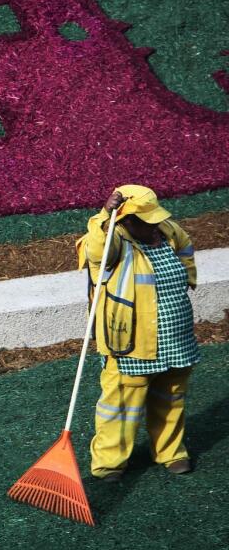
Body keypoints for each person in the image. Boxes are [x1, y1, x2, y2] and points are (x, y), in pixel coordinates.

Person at [78, 184, 199, 482]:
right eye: (146, 220)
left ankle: (172, 453)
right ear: (127, 219)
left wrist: (187, 275)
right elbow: (95, 252)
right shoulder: (113, 238)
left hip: (175, 336)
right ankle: (109, 463)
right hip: (130, 342)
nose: (154, 224)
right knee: (120, 404)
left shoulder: (168, 230)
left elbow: (186, 249)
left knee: (171, 398)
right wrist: (105, 215)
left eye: (155, 218)